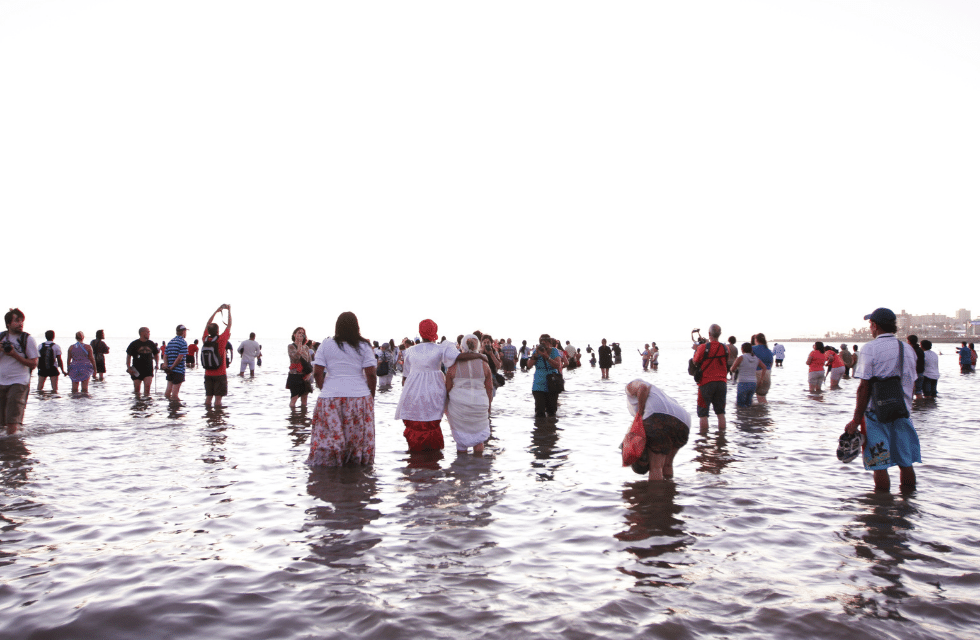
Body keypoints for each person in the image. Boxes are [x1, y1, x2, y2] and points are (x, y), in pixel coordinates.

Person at [845, 308, 920, 492]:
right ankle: (907, 506)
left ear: (875, 325)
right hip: (902, 413)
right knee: (906, 462)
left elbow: (864, 387)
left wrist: (856, 420)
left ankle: (881, 510)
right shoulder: (907, 349)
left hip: (875, 416)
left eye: (870, 324)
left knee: (879, 465)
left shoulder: (870, 348)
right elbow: (913, 382)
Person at [308, 311, 377, 466]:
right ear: (356, 327)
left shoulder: (326, 344)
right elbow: (371, 375)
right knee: (357, 442)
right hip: (360, 399)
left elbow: (317, 372)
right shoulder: (364, 346)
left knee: (329, 441)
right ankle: (358, 478)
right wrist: (371, 397)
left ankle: (328, 480)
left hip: (330, 399)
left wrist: (324, 390)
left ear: (337, 327)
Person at [394, 319, 459, 452]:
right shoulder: (440, 348)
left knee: (414, 421)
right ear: (435, 331)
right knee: (432, 420)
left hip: (412, 389)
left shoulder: (410, 350)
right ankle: (433, 460)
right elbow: (455, 358)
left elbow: (405, 376)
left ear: (420, 332)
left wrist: (404, 393)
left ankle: (415, 459)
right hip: (434, 388)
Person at [625, 379, 691, 481]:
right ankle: (669, 491)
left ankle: (656, 496)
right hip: (684, 421)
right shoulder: (658, 393)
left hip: (657, 417)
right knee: (667, 464)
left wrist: (640, 412)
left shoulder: (630, 385)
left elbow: (642, 388)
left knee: (656, 467)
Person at [445, 334, 493, 454]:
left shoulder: (453, 365)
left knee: (461, 441)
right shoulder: (485, 365)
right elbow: (489, 388)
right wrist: (489, 406)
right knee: (479, 440)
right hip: (480, 405)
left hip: (459, 406)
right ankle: (478, 467)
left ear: (462, 346)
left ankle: (461, 467)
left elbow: (447, 388)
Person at [0, 309, 39, 435]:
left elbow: (33, 363)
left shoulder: (27, 339)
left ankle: (13, 447)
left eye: (22, 321)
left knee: (12, 418)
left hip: (19, 381)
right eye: (17, 320)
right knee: (1, 421)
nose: (20, 323)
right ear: (8, 323)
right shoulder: (1, 337)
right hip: (1, 382)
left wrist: (13, 354)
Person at [692, 324, 728, 431]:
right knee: (721, 413)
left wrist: (696, 349)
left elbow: (695, 361)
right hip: (722, 382)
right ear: (720, 334)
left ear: (709, 334)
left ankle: (703, 440)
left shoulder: (703, 347)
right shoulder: (725, 348)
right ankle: (722, 439)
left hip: (706, 383)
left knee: (703, 414)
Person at [201, 304, 232, 408]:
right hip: (220, 373)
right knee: (218, 400)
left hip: (208, 373)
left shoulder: (205, 339)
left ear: (208, 331)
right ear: (218, 331)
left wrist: (216, 311)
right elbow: (229, 325)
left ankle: (208, 417)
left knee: (208, 398)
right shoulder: (221, 340)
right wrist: (229, 311)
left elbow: (207, 323)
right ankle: (217, 420)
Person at [528, 333, 562, 418]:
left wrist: (546, 356)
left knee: (552, 412)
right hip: (538, 385)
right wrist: (536, 354)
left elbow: (558, 365)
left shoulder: (554, 351)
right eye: (542, 342)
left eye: (547, 342)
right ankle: (539, 429)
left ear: (550, 343)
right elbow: (529, 365)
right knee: (539, 413)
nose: (545, 344)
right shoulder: (536, 351)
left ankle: (551, 429)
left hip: (552, 384)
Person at [126, 327, 158, 396]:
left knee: (147, 388)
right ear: (142, 333)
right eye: (148, 332)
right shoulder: (134, 344)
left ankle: (147, 404)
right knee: (137, 390)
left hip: (148, 369)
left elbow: (156, 354)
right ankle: (138, 404)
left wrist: (157, 364)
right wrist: (128, 367)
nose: (149, 334)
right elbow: (128, 356)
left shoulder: (151, 343)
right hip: (137, 369)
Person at [287, 327, 313, 409]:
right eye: (299, 333)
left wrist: (309, 374)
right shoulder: (291, 346)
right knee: (294, 398)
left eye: (303, 333)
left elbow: (309, 361)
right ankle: (293, 418)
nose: (301, 334)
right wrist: (299, 345)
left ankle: (303, 418)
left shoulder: (306, 347)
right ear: (294, 334)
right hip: (295, 375)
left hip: (305, 375)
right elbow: (295, 358)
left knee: (304, 399)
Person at [163, 324, 188, 402]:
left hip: (169, 371)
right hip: (178, 370)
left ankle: (169, 409)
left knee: (168, 392)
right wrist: (172, 367)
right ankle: (174, 410)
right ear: (183, 332)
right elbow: (180, 357)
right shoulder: (183, 342)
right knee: (174, 394)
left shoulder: (171, 342)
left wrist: (167, 366)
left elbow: (165, 355)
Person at [751, 333, 773, 404]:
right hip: (767, 375)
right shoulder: (769, 351)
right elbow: (771, 364)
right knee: (762, 400)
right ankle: (764, 414)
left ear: (756, 340)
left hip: (755, 375)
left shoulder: (752, 349)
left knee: (748, 399)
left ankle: (747, 414)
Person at [907, 335, 925, 400]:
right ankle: (919, 407)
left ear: (908, 341)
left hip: (913, 373)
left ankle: (912, 408)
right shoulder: (920, 350)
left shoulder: (910, 350)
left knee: (910, 392)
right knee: (918, 392)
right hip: (921, 372)